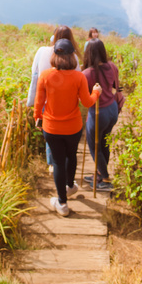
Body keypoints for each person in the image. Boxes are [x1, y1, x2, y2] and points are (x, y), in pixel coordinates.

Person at [34, 38, 101, 216]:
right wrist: (96, 92)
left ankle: (62, 203)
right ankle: (70, 186)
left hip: (51, 128)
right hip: (73, 127)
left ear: (55, 55)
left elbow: (38, 102)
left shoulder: (45, 76)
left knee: (57, 162)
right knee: (72, 156)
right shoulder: (79, 77)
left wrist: (37, 117)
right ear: (73, 56)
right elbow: (87, 102)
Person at [27, 26, 82, 170]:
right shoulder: (73, 56)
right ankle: (62, 163)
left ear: (54, 36)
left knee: (50, 130)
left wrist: (36, 110)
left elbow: (34, 74)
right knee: (65, 131)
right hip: (67, 100)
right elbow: (78, 79)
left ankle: (53, 163)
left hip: (46, 98)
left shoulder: (42, 51)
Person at [82, 38, 124, 190]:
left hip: (98, 112)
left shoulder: (86, 73)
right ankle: (100, 174)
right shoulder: (112, 66)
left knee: (95, 146)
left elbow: (85, 97)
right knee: (104, 142)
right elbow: (117, 86)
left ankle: (105, 178)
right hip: (112, 109)